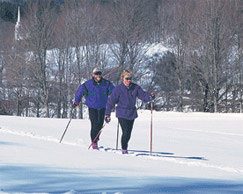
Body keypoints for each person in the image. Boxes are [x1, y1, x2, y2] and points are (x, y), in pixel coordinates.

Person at [105, 70, 155, 154]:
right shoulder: (118, 89)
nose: (129, 80)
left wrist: (150, 97)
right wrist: (107, 114)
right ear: (122, 78)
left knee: (128, 133)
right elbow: (111, 102)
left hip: (131, 113)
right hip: (121, 112)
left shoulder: (135, 87)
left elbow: (143, 95)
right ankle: (124, 149)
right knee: (126, 131)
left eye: (130, 79)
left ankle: (125, 146)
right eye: (127, 78)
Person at [72, 67, 115, 149]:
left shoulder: (106, 84)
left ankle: (96, 138)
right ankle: (94, 142)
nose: (98, 75)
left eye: (99, 73)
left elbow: (114, 92)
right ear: (93, 75)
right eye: (96, 73)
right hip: (92, 107)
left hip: (102, 107)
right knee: (94, 125)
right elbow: (80, 92)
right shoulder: (88, 84)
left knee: (100, 125)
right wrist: (76, 102)